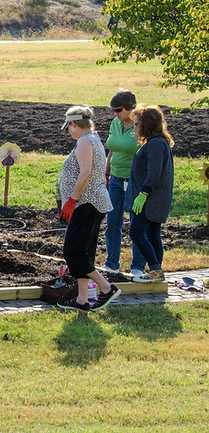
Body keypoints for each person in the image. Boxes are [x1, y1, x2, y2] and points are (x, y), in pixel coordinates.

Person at [56, 106, 121, 312]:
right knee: (84, 252)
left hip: (86, 203)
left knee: (73, 251)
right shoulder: (93, 139)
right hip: (93, 203)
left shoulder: (84, 141)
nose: (69, 133)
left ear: (73, 124)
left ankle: (106, 288)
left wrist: (72, 200)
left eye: (69, 128)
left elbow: (84, 173)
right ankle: (82, 300)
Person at [126, 106, 175, 283]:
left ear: (147, 124)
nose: (135, 128)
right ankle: (157, 272)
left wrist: (143, 194)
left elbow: (154, 172)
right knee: (153, 234)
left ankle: (155, 268)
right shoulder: (158, 142)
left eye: (137, 124)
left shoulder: (155, 144)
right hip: (155, 199)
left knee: (136, 232)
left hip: (150, 200)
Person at [103, 89, 146, 276]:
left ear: (131, 108)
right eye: (113, 110)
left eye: (119, 110)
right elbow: (112, 149)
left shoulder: (141, 126)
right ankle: (112, 263)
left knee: (136, 223)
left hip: (135, 180)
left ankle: (138, 266)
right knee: (112, 221)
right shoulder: (115, 123)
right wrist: (106, 173)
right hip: (116, 179)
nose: (115, 114)